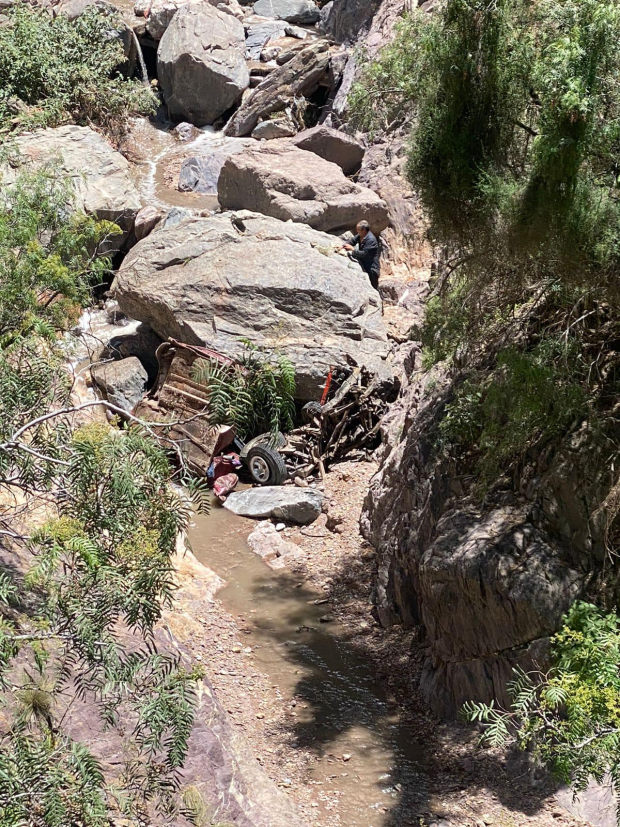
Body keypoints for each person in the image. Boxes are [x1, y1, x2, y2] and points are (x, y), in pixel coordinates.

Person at [342, 220, 381, 291]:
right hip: (364, 264)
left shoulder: (371, 240)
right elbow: (352, 241)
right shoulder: (361, 235)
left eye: (358, 229)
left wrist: (353, 249)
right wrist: (342, 246)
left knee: (373, 288)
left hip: (371, 268)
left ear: (364, 230)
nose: (357, 231)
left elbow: (364, 253)